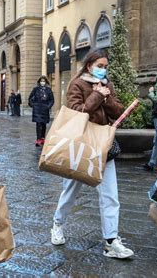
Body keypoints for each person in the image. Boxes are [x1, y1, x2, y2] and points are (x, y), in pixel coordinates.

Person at [50, 48, 134, 259]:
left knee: (110, 195)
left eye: (105, 67)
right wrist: (97, 95)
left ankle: (111, 241)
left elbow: (118, 111)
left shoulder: (108, 86)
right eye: (99, 66)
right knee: (70, 191)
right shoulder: (77, 84)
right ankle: (57, 225)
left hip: (102, 146)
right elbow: (77, 111)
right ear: (89, 66)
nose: (103, 70)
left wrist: (106, 97)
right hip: (80, 145)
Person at [28, 76, 54, 146]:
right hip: (37, 109)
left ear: (46, 82)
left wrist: (48, 106)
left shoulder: (48, 90)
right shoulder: (35, 89)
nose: (42, 82)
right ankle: (38, 139)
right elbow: (30, 98)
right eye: (41, 81)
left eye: (44, 81)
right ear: (39, 82)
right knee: (38, 124)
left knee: (44, 124)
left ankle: (42, 137)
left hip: (45, 110)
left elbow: (52, 100)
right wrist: (33, 105)